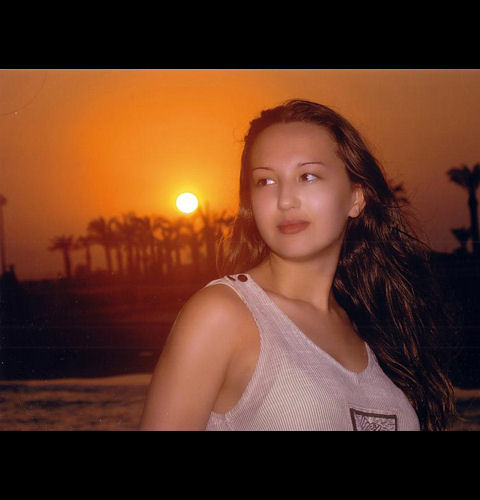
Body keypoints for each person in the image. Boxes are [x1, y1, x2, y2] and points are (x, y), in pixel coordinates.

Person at [140, 99, 457, 431]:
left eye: (308, 176)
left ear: (356, 198)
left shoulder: (373, 325)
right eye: (266, 181)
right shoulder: (224, 315)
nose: (285, 200)